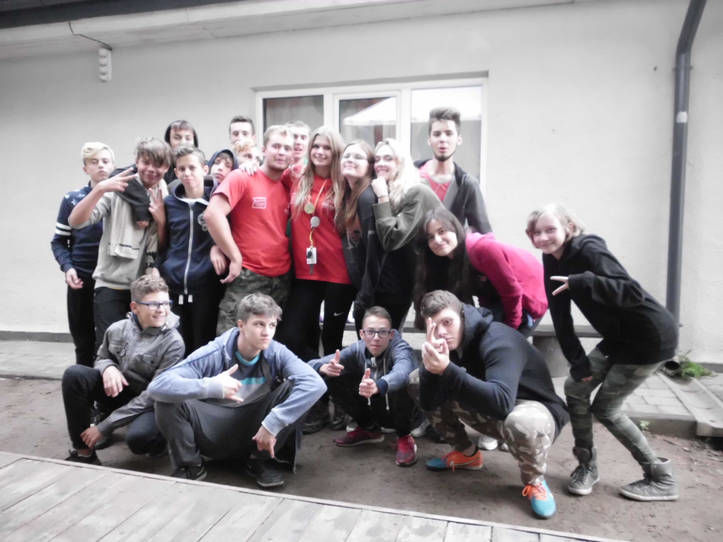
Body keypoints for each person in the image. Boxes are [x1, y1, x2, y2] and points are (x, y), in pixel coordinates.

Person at [526, 203, 679, 502]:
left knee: (606, 409)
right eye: (536, 233)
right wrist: (577, 361)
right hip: (619, 337)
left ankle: (661, 477)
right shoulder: (551, 258)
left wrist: (581, 280)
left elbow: (630, 291)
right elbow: (560, 315)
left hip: (649, 337)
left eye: (550, 230)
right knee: (575, 387)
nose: (543, 238)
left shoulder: (589, 248)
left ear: (569, 227)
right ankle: (587, 466)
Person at [148, 293, 326, 487]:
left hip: (257, 430)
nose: (266, 332)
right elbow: (158, 386)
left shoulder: (276, 351)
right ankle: (191, 466)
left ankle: (259, 460)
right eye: (259, 324)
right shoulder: (216, 352)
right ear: (241, 325)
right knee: (167, 401)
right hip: (213, 429)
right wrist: (211, 386)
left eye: (272, 325)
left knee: (296, 388)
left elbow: (315, 384)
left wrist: (272, 424)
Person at [418, 290, 568, 519]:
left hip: (532, 410)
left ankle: (534, 481)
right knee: (416, 379)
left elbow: (502, 404)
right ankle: (467, 454)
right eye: (433, 326)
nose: (441, 333)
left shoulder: (498, 339)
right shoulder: (445, 342)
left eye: (447, 322)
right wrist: (430, 371)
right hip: (492, 405)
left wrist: (447, 370)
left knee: (521, 421)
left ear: (462, 315)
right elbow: (429, 402)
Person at [61, 275, 184, 464]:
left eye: (166, 303)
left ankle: (160, 442)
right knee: (74, 375)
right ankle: (84, 453)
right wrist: (108, 368)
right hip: (123, 392)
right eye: (153, 304)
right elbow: (102, 357)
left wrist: (105, 427)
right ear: (135, 307)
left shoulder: (173, 343)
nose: (162, 310)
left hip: (153, 403)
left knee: (139, 438)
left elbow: (154, 394)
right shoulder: (117, 329)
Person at [68, 137, 171, 350]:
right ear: (137, 161)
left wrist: (161, 221)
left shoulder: (164, 193)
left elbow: (163, 246)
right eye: (146, 162)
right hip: (112, 285)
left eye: (158, 164)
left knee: (142, 352)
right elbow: (76, 221)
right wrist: (99, 189)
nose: (151, 169)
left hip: (145, 290)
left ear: (167, 167)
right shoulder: (118, 186)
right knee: (111, 350)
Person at [204, 125, 294, 334]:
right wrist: (234, 256)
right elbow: (212, 214)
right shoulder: (243, 176)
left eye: (287, 148)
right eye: (276, 146)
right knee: (232, 340)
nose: (281, 152)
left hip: (282, 279)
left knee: (269, 345)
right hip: (248, 276)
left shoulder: (289, 185)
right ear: (264, 149)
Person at [309, 306, 418, 466]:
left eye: (382, 332)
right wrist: (322, 367)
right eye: (370, 332)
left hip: (407, 415)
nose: (376, 338)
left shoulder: (400, 348)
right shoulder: (358, 348)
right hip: (378, 408)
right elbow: (311, 364)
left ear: (391, 334)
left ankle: (404, 437)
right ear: (362, 334)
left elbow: (402, 372)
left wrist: (379, 385)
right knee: (333, 374)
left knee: (404, 381)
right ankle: (369, 429)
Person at [414, 207, 547, 337]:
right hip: (500, 300)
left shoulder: (482, 249)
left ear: (455, 228)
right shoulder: (447, 260)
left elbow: (512, 292)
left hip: (529, 297)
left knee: (499, 343)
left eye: (442, 231)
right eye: (430, 237)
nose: (437, 240)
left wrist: (509, 330)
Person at [357, 138, 441, 330]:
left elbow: (391, 239)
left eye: (388, 158)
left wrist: (382, 197)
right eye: (377, 159)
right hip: (405, 281)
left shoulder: (416, 191)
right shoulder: (394, 190)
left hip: (436, 279)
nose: (380, 164)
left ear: (401, 163)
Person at [160, 147, 226, 355]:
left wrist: (218, 246)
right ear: (176, 172)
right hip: (174, 286)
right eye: (181, 169)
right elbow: (164, 241)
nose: (187, 173)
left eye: (192, 167)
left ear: (204, 169)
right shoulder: (169, 203)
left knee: (203, 346)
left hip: (205, 286)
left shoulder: (217, 202)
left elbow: (232, 231)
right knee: (177, 347)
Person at [51, 142, 111, 365]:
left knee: (111, 341)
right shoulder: (72, 199)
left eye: (105, 161)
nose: (100, 166)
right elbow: (59, 241)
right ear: (85, 168)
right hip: (82, 279)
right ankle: (83, 383)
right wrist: (68, 267)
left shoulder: (123, 198)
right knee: (83, 340)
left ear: (113, 165)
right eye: (94, 162)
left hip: (113, 280)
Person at [414, 107, 491, 233]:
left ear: (459, 139)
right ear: (429, 140)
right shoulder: (411, 176)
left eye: (449, 133)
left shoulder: (467, 184)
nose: (443, 139)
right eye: (437, 134)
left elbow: (483, 234)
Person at [163, 119, 200, 184]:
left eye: (188, 138)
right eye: (177, 138)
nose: (183, 142)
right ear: (168, 141)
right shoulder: (162, 168)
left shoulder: (202, 165)